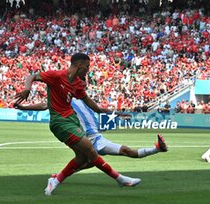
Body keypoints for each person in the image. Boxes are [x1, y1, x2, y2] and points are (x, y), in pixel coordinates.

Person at [15, 53, 142, 196]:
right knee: (91, 151)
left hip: (72, 121)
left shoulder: (76, 85)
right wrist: (27, 89)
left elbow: (96, 108)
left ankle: (55, 181)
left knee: (83, 158)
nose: (88, 70)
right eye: (87, 66)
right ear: (79, 64)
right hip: (60, 122)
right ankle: (120, 179)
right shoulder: (56, 76)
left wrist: (115, 113)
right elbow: (32, 76)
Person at [15, 99, 168, 180]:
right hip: (83, 138)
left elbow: (100, 109)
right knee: (86, 161)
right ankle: (58, 178)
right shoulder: (64, 98)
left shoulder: (83, 98)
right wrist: (24, 108)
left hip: (98, 137)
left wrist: (119, 114)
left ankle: (157, 149)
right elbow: (44, 105)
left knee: (126, 151)